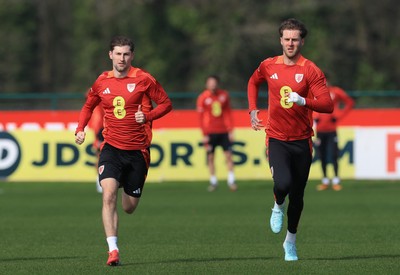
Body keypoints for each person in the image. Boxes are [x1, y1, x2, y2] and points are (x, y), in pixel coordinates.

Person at [75, 36, 172, 266]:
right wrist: (80, 128)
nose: (122, 58)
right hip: (111, 147)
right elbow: (88, 106)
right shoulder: (101, 81)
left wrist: (147, 116)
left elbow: (167, 104)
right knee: (108, 195)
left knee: (128, 207)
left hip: (138, 151)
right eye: (118, 54)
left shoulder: (144, 79)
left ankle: (122, 184)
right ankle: (113, 250)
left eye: (126, 54)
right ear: (110, 55)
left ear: (132, 56)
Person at [247, 18, 333, 261]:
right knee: (282, 184)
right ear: (280, 40)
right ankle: (277, 205)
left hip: (302, 140)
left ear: (302, 41)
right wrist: (253, 109)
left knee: (298, 195)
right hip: (276, 138)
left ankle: (290, 241)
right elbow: (253, 82)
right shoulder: (268, 65)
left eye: (295, 39)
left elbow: (328, 105)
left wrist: (304, 100)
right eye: (287, 39)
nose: (291, 43)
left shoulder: (310, 70)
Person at [196, 75, 237, 192]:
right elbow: (200, 117)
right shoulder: (203, 97)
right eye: (210, 82)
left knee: (228, 155)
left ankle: (231, 181)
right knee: (210, 157)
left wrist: (231, 130)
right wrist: (204, 134)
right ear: (206, 84)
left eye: (214, 82)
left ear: (217, 83)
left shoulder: (224, 95)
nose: (213, 84)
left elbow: (228, 113)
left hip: (223, 130)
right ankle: (213, 182)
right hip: (210, 132)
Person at [314, 76, 354, 191]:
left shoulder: (336, 92)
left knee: (333, 155)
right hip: (320, 131)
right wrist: (315, 117)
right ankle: (325, 180)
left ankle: (336, 180)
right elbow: (307, 106)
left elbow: (349, 102)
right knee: (321, 155)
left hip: (332, 130)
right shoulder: (314, 92)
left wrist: (338, 116)